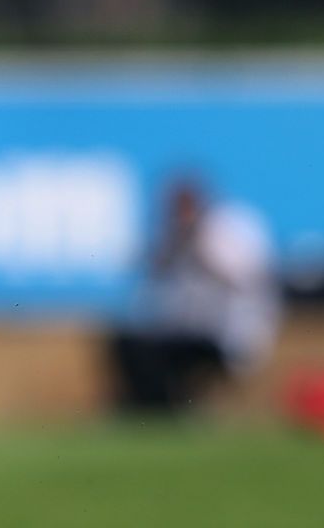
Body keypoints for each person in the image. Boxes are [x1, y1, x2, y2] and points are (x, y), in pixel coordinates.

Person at [107, 177, 278, 415]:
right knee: (130, 343)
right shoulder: (173, 235)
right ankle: (151, 406)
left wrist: (201, 244)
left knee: (173, 350)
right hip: (183, 329)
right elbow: (148, 273)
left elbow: (245, 281)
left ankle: (169, 406)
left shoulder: (229, 230)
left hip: (223, 331)